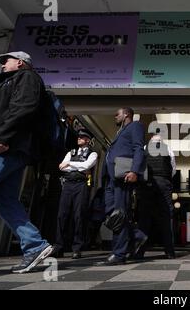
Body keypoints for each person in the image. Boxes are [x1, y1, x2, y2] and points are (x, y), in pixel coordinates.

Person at [0, 51, 54, 273]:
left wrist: (3, 136)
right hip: (4, 148)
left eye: (6, 61)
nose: (2, 65)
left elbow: (24, 107)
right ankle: (35, 246)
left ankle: (34, 246)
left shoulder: (26, 78)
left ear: (20, 62)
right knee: (4, 201)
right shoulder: (9, 82)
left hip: (0, 149)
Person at [96, 107, 147, 266]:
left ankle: (118, 254)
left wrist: (134, 171)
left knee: (119, 215)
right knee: (111, 213)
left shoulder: (136, 126)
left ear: (126, 114)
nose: (115, 117)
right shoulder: (120, 132)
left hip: (123, 177)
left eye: (117, 114)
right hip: (111, 180)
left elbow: (138, 148)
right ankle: (137, 236)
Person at [53, 129, 98, 259]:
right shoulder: (70, 152)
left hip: (81, 185)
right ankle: (59, 246)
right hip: (68, 184)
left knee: (79, 216)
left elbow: (87, 166)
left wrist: (70, 164)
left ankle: (77, 248)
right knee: (62, 215)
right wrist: (73, 165)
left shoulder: (93, 153)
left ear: (88, 140)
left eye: (82, 137)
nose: (79, 138)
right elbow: (62, 167)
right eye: (79, 137)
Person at [136, 133, 177, 259]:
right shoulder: (168, 148)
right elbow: (173, 169)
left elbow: (139, 165)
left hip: (147, 184)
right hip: (164, 184)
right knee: (166, 217)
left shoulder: (144, 148)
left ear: (150, 140)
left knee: (144, 218)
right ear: (161, 141)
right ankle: (169, 251)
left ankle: (139, 251)